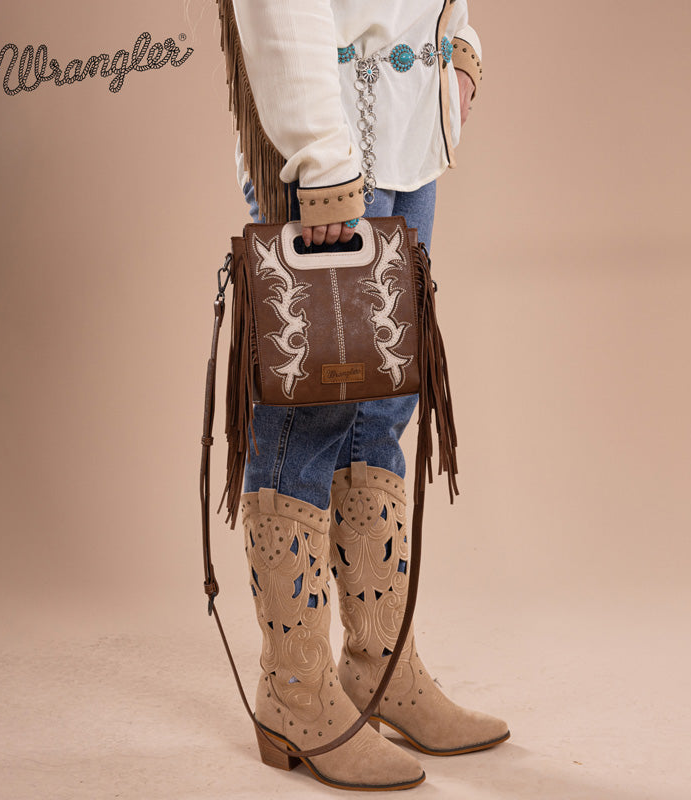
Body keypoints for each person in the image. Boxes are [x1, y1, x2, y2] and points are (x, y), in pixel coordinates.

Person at [214, 0, 508, 790]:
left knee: (381, 411)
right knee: (311, 411)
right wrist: (320, 158)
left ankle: (380, 668)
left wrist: (460, 53)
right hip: (331, 142)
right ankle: (295, 693)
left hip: (410, 133)